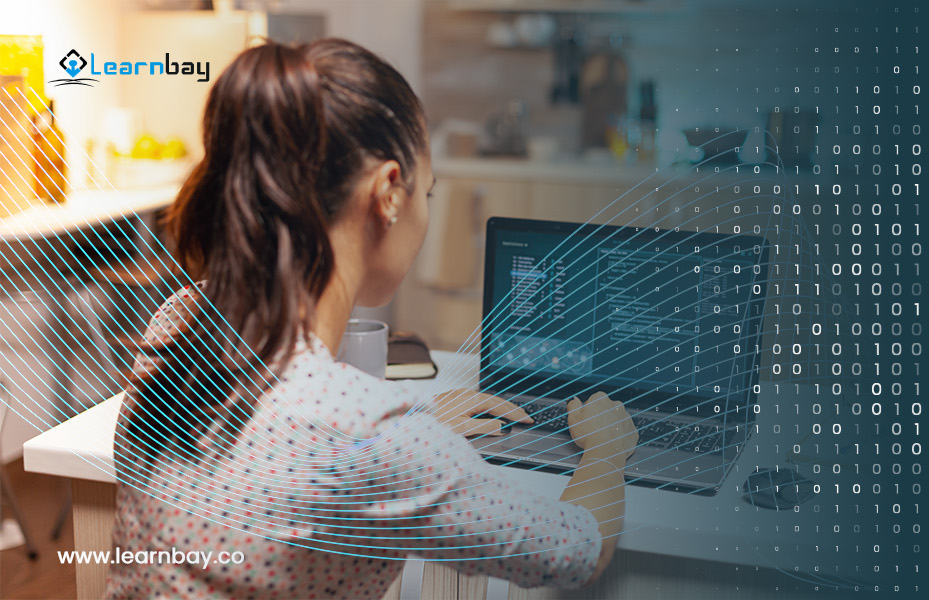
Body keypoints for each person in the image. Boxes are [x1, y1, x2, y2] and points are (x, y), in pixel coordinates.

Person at [104, 38, 637, 599]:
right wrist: (607, 448)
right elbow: (576, 551)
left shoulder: (181, 323)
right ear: (388, 193)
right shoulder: (367, 433)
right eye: (425, 191)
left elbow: (295, 446)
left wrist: (417, 429)